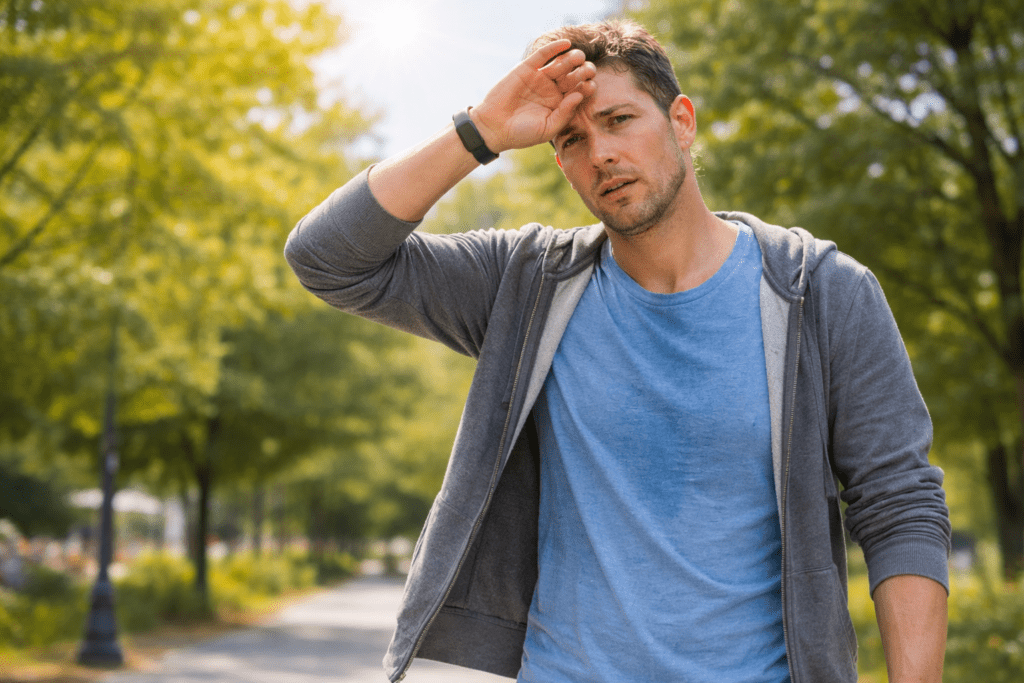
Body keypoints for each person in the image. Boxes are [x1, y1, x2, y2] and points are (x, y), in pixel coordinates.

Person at [285, 19, 951, 683]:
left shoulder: (820, 293)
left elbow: (900, 505)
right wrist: (481, 131)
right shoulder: (528, 285)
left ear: (681, 122)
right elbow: (327, 258)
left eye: (620, 120)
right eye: (573, 139)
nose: (601, 153)